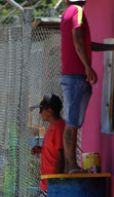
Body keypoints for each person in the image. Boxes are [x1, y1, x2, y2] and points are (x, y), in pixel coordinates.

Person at [60, 0, 96, 172]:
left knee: (72, 122)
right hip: (75, 75)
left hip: (72, 75)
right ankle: (71, 165)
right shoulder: (77, 11)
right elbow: (77, 39)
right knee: (72, 122)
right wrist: (88, 67)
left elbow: (84, 43)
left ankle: (70, 165)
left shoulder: (67, 11)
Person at [30, 94, 65, 197]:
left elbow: (61, 155)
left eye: (42, 109)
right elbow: (53, 151)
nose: (40, 113)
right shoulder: (51, 127)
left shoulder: (60, 127)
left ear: (49, 111)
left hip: (51, 184)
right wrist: (41, 150)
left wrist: (55, 182)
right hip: (45, 184)